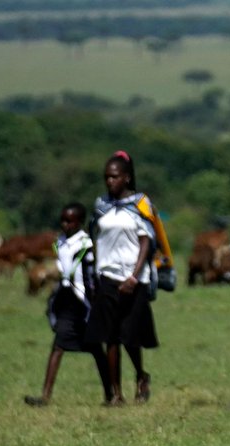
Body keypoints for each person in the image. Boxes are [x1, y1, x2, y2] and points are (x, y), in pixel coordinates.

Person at [86, 151, 169, 405]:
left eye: (114, 177)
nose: (109, 182)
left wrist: (134, 276)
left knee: (129, 336)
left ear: (127, 178)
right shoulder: (101, 206)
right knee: (110, 337)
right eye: (106, 177)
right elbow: (95, 238)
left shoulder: (140, 204)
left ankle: (141, 376)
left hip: (135, 279)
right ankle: (116, 395)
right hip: (108, 276)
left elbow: (147, 241)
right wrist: (96, 271)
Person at [25, 203, 112, 406]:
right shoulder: (60, 242)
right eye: (62, 220)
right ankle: (45, 396)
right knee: (58, 346)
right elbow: (60, 265)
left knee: (97, 350)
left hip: (83, 302)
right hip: (66, 299)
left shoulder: (86, 244)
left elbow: (92, 273)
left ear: (79, 222)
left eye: (69, 220)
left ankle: (110, 394)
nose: (64, 224)